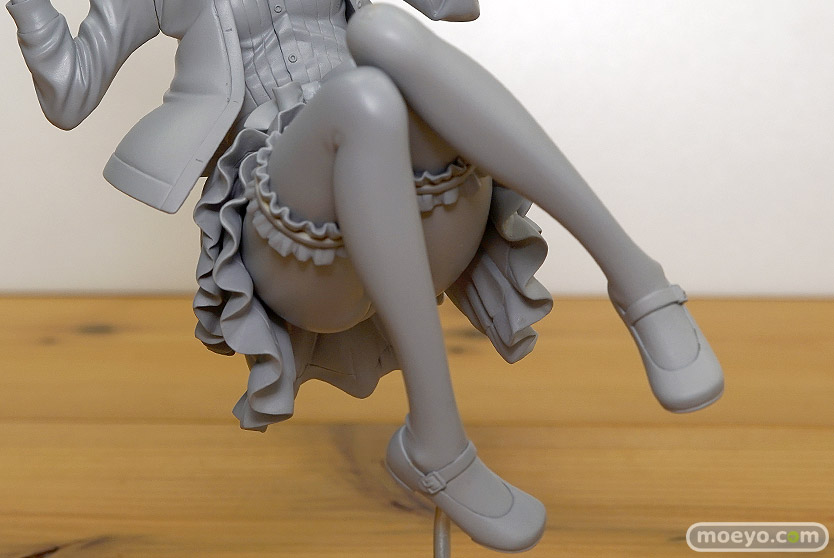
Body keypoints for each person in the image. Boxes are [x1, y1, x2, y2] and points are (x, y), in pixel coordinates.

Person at [8, 0, 723, 551]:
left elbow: (450, 8)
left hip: (421, 200)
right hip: (296, 237)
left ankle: (636, 280)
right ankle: (437, 439)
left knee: (382, 33)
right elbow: (69, 90)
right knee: (362, 100)